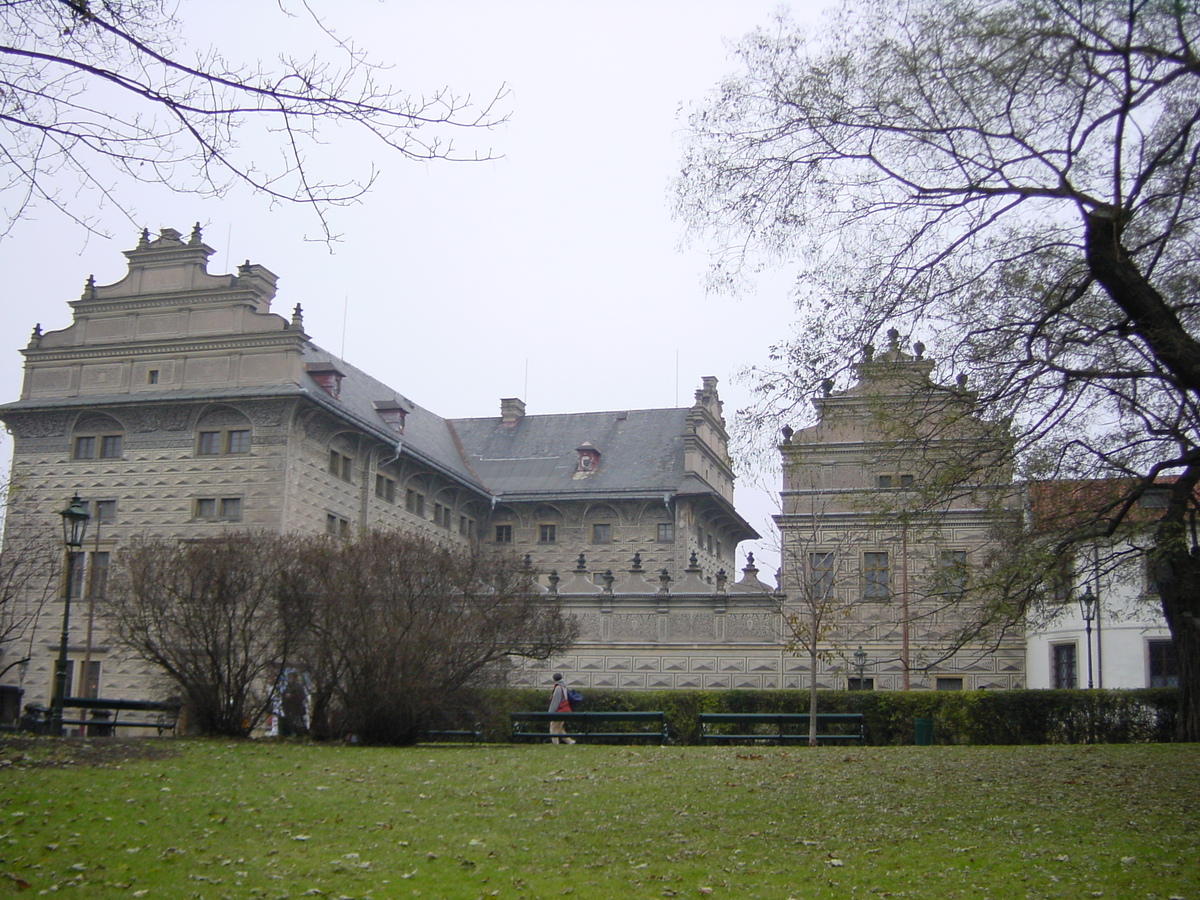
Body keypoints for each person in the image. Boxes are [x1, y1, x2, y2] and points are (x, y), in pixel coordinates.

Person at [548, 672, 575, 745]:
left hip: (558, 711)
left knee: (553, 727)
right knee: (559, 728)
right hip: (565, 710)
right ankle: (569, 741)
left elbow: (555, 701)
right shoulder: (564, 686)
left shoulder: (558, 688)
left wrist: (551, 712)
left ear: (554, 679)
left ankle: (555, 743)